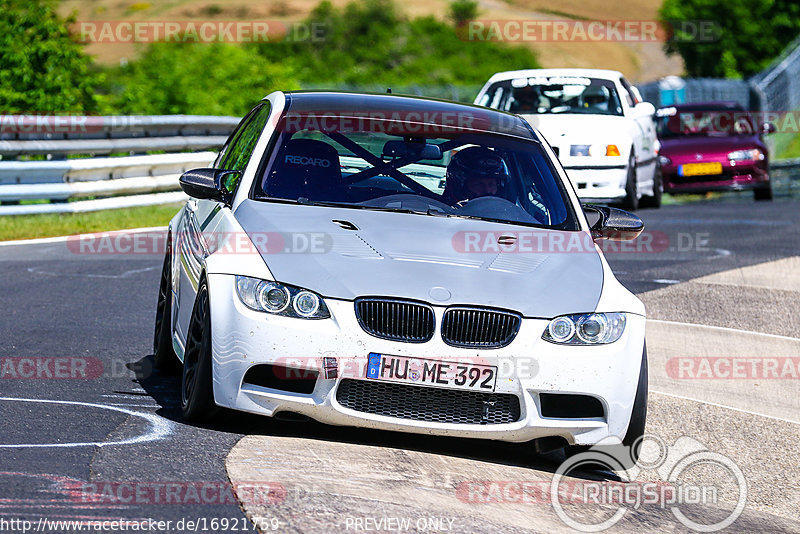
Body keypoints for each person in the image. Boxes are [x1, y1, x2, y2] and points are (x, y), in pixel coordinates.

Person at [443, 146, 509, 205]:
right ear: (458, 185)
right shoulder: (439, 213)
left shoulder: (508, 214)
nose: (487, 190)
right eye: (478, 185)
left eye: (491, 184)